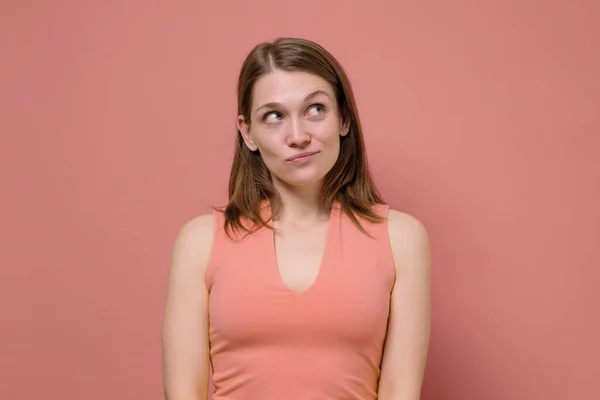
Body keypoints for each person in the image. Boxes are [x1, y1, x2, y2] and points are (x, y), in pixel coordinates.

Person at [161, 37, 431, 400]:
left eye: (315, 109)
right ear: (247, 133)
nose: (298, 136)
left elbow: (400, 390)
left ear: (344, 119)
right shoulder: (200, 242)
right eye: (274, 116)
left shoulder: (402, 238)